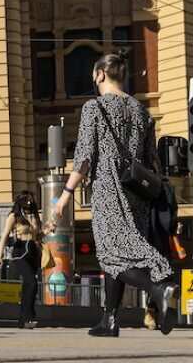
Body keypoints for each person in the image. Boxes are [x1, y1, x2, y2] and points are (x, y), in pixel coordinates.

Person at [47, 53, 177, 337]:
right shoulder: (141, 111)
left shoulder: (93, 107)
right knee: (119, 255)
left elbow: (84, 157)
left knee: (111, 255)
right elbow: (152, 159)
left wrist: (65, 197)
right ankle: (110, 319)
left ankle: (159, 287)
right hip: (138, 193)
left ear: (100, 75)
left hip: (109, 189)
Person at [0, 192, 41, 329]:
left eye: (31, 200)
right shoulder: (14, 216)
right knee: (31, 282)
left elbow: (37, 235)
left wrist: (47, 230)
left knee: (30, 286)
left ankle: (24, 319)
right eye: (27, 200)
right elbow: (4, 236)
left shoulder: (34, 215)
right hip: (20, 252)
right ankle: (28, 316)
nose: (30, 203)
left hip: (32, 250)